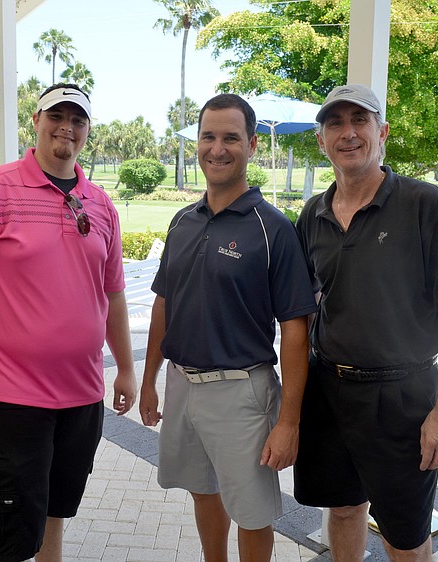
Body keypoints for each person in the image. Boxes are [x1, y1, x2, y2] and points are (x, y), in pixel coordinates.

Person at [0, 83, 137, 562]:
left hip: (81, 395)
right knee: (9, 530)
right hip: (11, 398)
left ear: (88, 130)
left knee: (55, 509)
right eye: (57, 115)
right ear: (36, 119)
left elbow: (112, 295)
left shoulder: (101, 204)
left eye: (78, 119)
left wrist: (126, 370)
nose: (66, 127)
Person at [293, 84, 438, 562]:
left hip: (403, 397)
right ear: (321, 140)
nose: (348, 133)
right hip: (330, 390)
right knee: (344, 509)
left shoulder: (424, 204)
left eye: (361, 121)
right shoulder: (312, 213)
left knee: (405, 532)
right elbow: (304, 306)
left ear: (383, 133)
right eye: (335, 123)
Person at [139, 93, 318, 562]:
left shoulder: (272, 228)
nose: (217, 149)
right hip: (182, 383)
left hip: (242, 391)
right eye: (208, 136)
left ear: (253, 145)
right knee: (202, 490)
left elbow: (296, 331)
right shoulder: (182, 221)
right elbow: (164, 304)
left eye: (231, 138)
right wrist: (149, 382)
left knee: (253, 513)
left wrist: (289, 422)